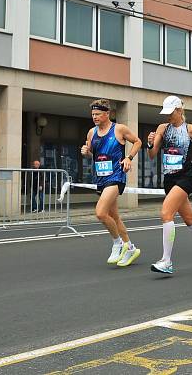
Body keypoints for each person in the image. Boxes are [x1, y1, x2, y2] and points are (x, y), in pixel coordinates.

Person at [147, 96, 192, 274]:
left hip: (187, 177)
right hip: (169, 179)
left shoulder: (191, 129)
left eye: (171, 113)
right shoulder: (162, 128)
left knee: (166, 213)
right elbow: (151, 154)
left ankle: (166, 260)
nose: (168, 117)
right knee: (189, 218)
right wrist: (150, 143)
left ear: (179, 110)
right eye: (166, 113)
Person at [81, 99, 142, 267]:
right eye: (93, 114)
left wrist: (128, 158)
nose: (95, 117)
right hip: (100, 177)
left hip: (116, 176)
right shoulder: (91, 133)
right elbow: (92, 152)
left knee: (100, 213)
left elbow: (138, 142)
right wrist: (86, 151)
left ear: (107, 114)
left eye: (98, 114)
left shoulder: (119, 129)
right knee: (114, 216)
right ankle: (130, 248)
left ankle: (117, 243)